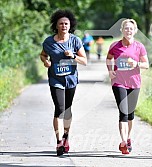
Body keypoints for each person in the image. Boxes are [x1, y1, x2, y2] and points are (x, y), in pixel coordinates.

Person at [40, 9, 87, 156]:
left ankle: (66, 136)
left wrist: (73, 56)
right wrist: (45, 61)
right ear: (56, 25)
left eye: (66, 23)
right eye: (61, 23)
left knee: (67, 109)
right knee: (59, 108)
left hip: (71, 80)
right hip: (56, 80)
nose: (64, 26)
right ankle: (59, 141)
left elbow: (84, 61)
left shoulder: (75, 40)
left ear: (70, 25)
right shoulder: (48, 41)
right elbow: (43, 55)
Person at [106, 19, 149, 154]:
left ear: (135, 31)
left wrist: (136, 64)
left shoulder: (139, 47)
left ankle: (129, 137)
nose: (128, 31)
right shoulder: (115, 46)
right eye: (126, 28)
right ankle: (123, 142)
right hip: (118, 82)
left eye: (131, 29)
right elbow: (108, 58)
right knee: (123, 112)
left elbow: (146, 65)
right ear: (122, 30)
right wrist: (110, 69)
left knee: (130, 114)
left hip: (134, 83)